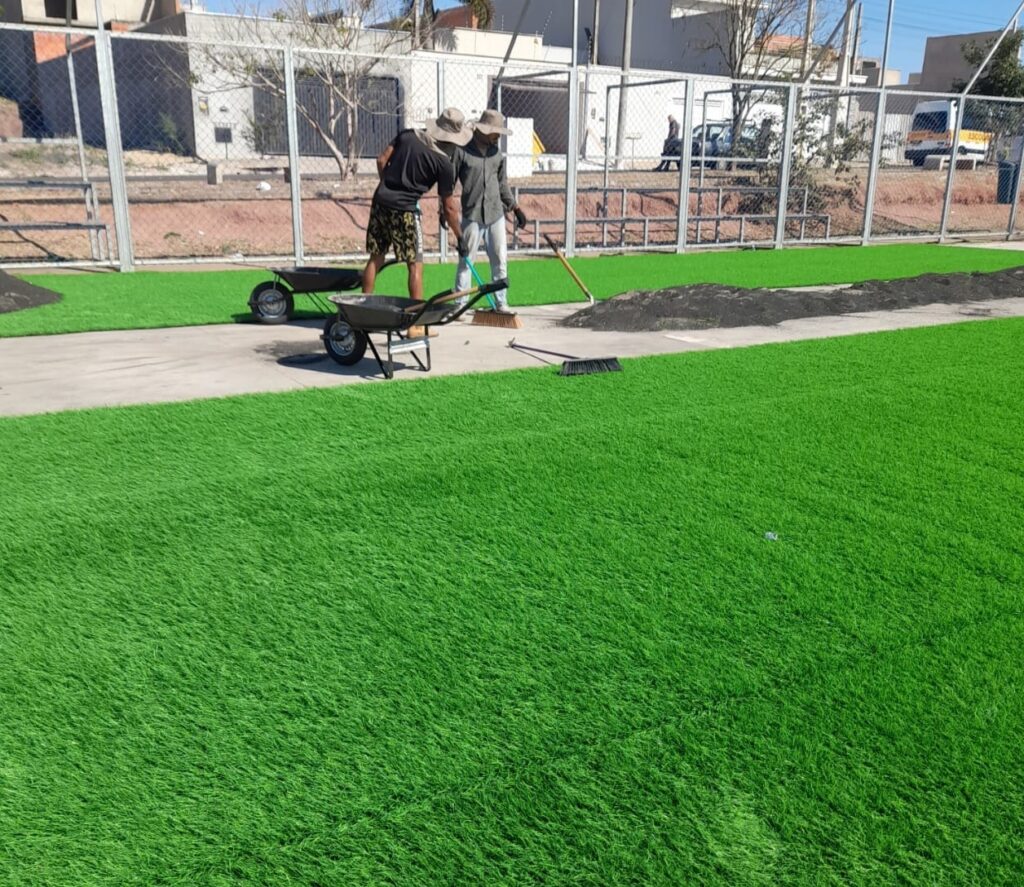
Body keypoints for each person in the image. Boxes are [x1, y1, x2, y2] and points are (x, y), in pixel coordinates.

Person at [362, 108, 472, 305]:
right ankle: (416, 322)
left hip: (380, 202)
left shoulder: (407, 135)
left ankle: (360, 309)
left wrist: (387, 184)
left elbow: (381, 160)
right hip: (405, 211)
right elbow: (449, 207)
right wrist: (460, 237)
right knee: (415, 265)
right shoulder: (444, 163)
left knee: (376, 258)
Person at [449, 109, 528, 313]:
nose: (498, 136)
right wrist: (444, 210)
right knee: (466, 260)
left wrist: (515, 207)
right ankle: (460, 304)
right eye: (495, 132)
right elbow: (448, 184)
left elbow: (502, 184)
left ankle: (501, 302)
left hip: (495, 214)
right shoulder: (462, 151)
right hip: (472, 215)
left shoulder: (496, 154)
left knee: (500, 259)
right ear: (483, 130)